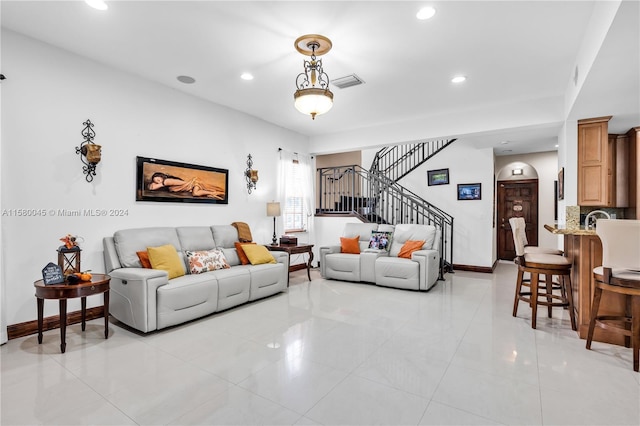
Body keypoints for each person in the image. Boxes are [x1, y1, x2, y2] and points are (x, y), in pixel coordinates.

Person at [148, 172, 224, 199]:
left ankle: (215, 193)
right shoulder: (167, 186)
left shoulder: (167, 181)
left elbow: (152, 187)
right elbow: (151, 187)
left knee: (195, 193)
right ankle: (215, 193)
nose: (158, 183)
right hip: (193, 185)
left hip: (194, 183)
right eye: (156, 182)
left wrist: (158, 184)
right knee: (198, 193)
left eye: (158, 180)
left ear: (162, 177)